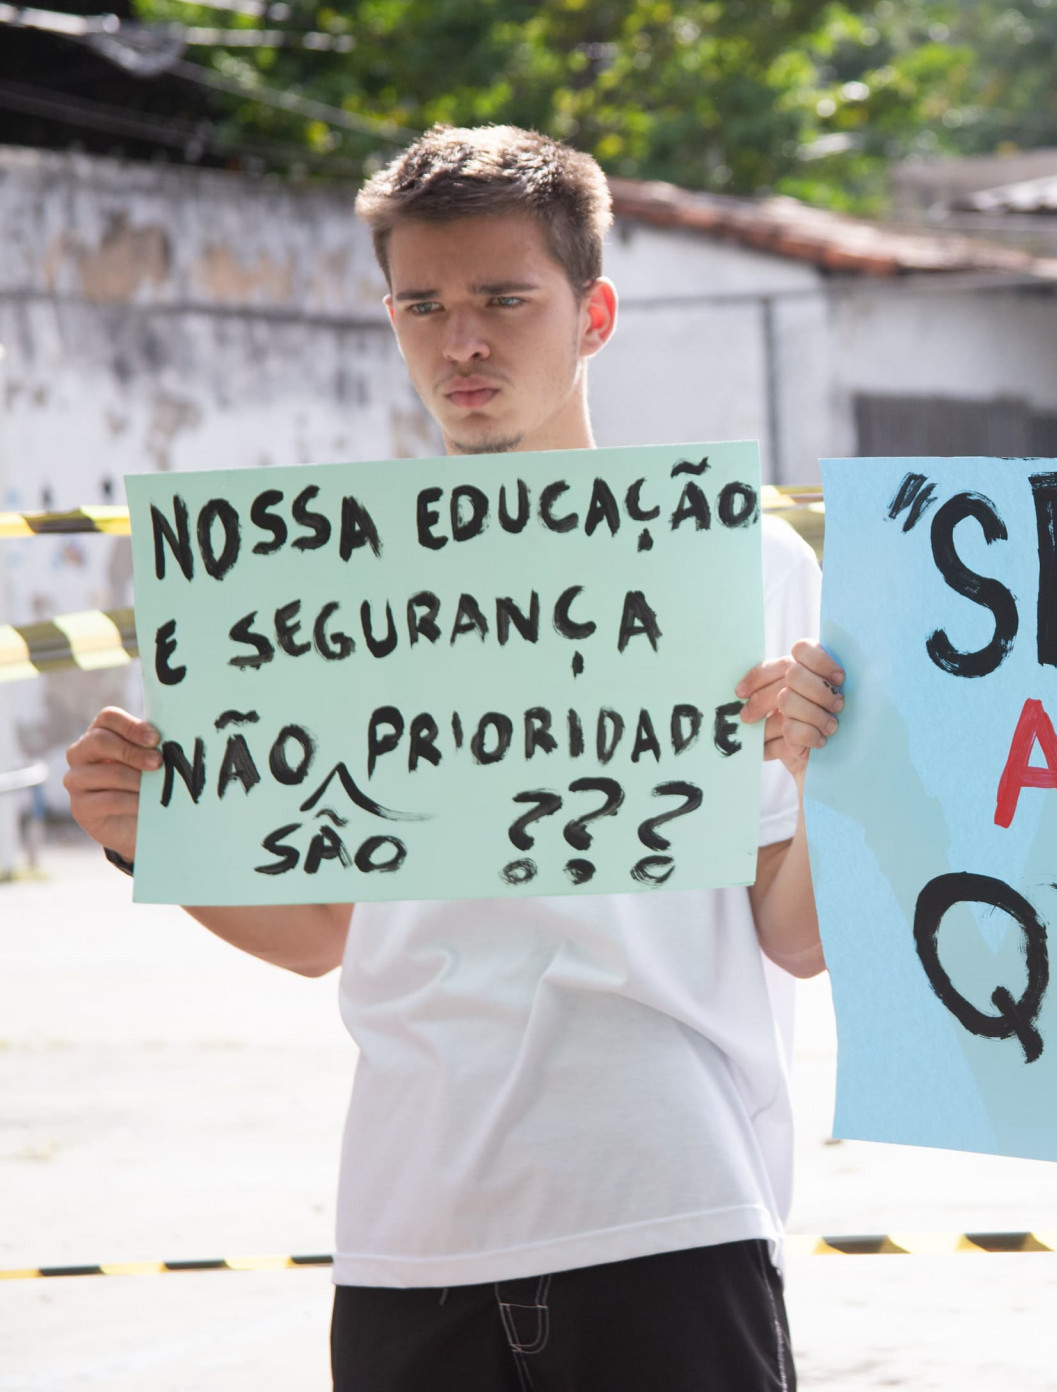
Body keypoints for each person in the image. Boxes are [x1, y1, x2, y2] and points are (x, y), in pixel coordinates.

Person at [63, 125, 847, 1392]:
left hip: (668, 1204)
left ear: (593, 314)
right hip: (404, 1225)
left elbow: (796, 935)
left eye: (502, 300)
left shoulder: (743, 567)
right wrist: (149, 840)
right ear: (389, 316)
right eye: (422, 305)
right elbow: (324, 934)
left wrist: (829, 787)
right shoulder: (318, 584)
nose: (461, 342)